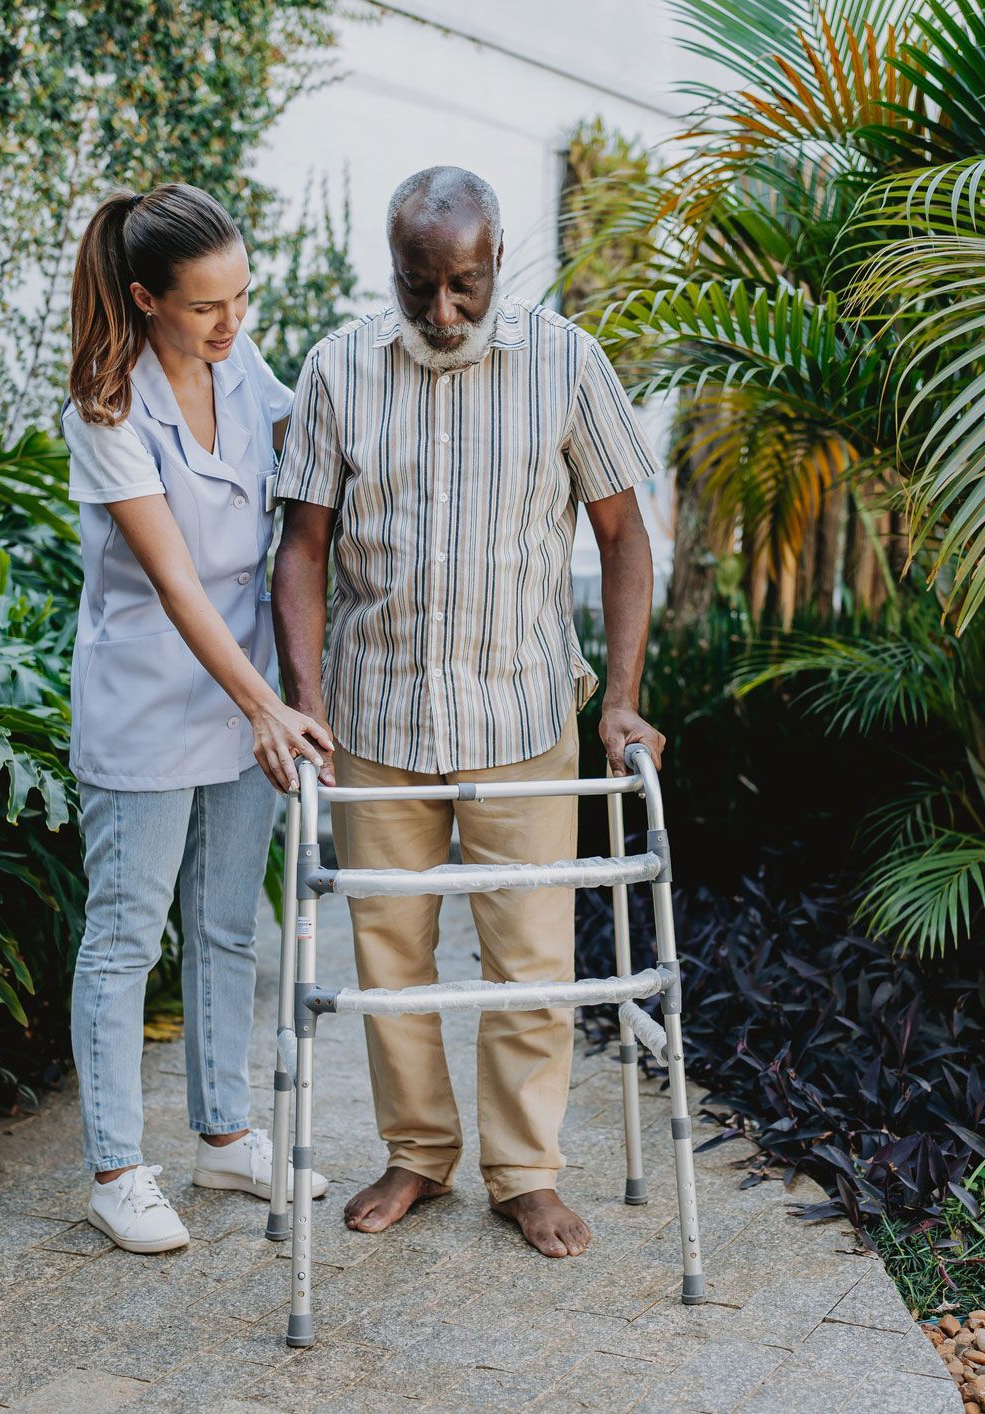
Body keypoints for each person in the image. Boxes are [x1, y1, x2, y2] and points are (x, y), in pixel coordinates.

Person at [271, 166, 666, 1260]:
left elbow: (625, 536)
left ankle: (524, 1172)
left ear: (499, 261)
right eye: (418, 285)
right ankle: (416, 1153)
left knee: (528, 958)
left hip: (522, 703)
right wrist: (305, 705)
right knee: (388, 956)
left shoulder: (567, 363)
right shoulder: (339, 367)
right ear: (391, 268)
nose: (441, 311)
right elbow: (300, 548)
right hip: (376, 712)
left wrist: (622, 702)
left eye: (464, 284)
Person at [64, 183, 333, 1255]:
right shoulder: (106, 408)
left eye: (243, 297)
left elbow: (317, 462)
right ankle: (116, 1170)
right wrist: (267, 703)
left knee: (228, 924)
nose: (231, 323)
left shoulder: (243, 367)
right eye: (206, 306)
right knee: (126, 937)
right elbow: (173, 578)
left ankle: (224, 1138)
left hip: (242, 693)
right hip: (149, 696)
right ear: (145, 298)